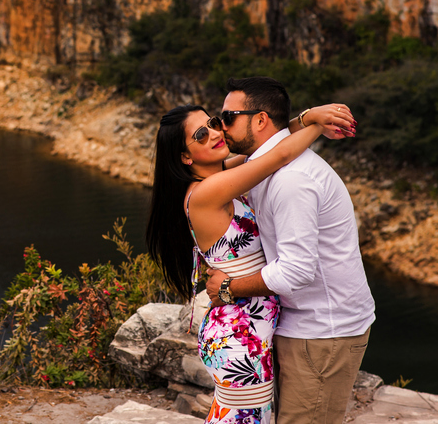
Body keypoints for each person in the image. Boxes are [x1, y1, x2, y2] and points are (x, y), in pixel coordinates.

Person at [145, 101, 355, 424]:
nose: (216, 133)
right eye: (201, 134)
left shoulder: (221, 176)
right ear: (185, 157)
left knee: (244, 417)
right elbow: (278, 157)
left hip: (248, 326)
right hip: (239, 333)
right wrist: (317, 125)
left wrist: (305, 118)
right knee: (244, 419)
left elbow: (270, 145)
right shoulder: (207, 192)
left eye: (214, 123)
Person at [204, 76, 375, 424]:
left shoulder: (291, 180)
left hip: (323, 330)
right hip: (305, 324)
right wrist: (310, 118)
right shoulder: (265, 167)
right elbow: (281, 145)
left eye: (227, 117)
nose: (220, 128)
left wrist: (227, 288)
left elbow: (296, 271)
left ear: (261, 120)